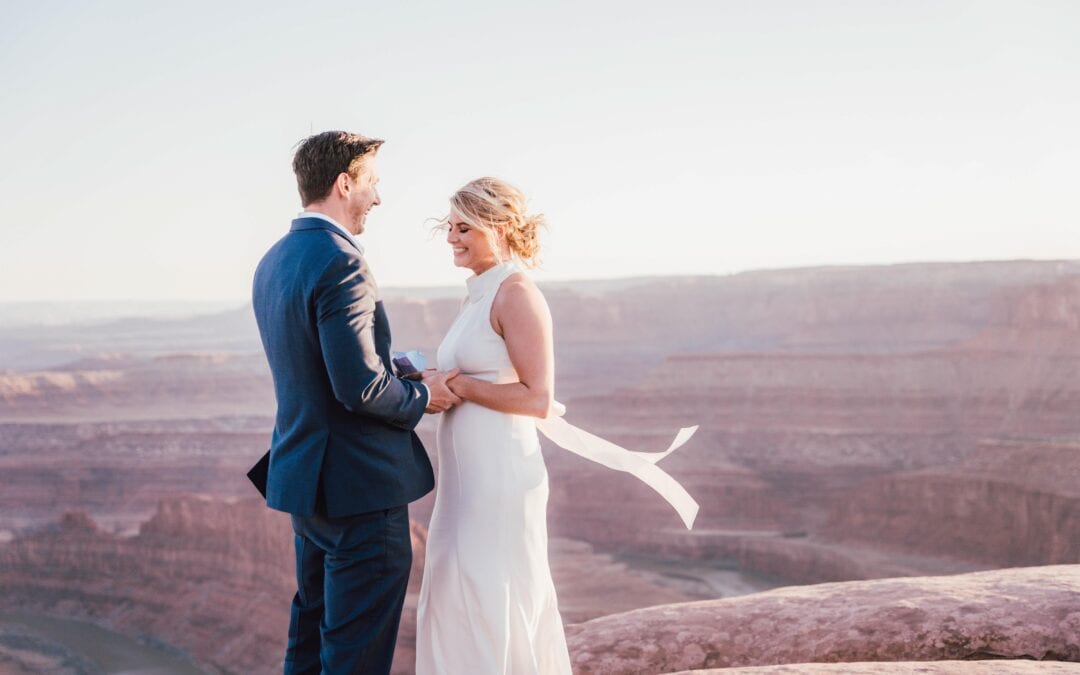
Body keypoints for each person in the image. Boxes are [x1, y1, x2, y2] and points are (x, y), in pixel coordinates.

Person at [250, 130, 460, 675]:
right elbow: (360, 388)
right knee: (355, 654)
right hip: (360, 487)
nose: (378, 198)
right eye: (373, 184)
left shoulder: (275, 259)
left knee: (310, 638)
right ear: (345, 183)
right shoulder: (342, 261)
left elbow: (319, 370)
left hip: (305, 480)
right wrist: (422, 394)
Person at [415, 177, 573, 674]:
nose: (451, 238)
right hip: (466, 480)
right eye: (450, 226)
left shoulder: (517, 294)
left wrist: (457, 386)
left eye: (465, 228)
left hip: (502, 477)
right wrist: (430, 382)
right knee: (452, 588)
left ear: (499, 227)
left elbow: (538, 398)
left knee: (492, 591)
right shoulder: (476, 296)